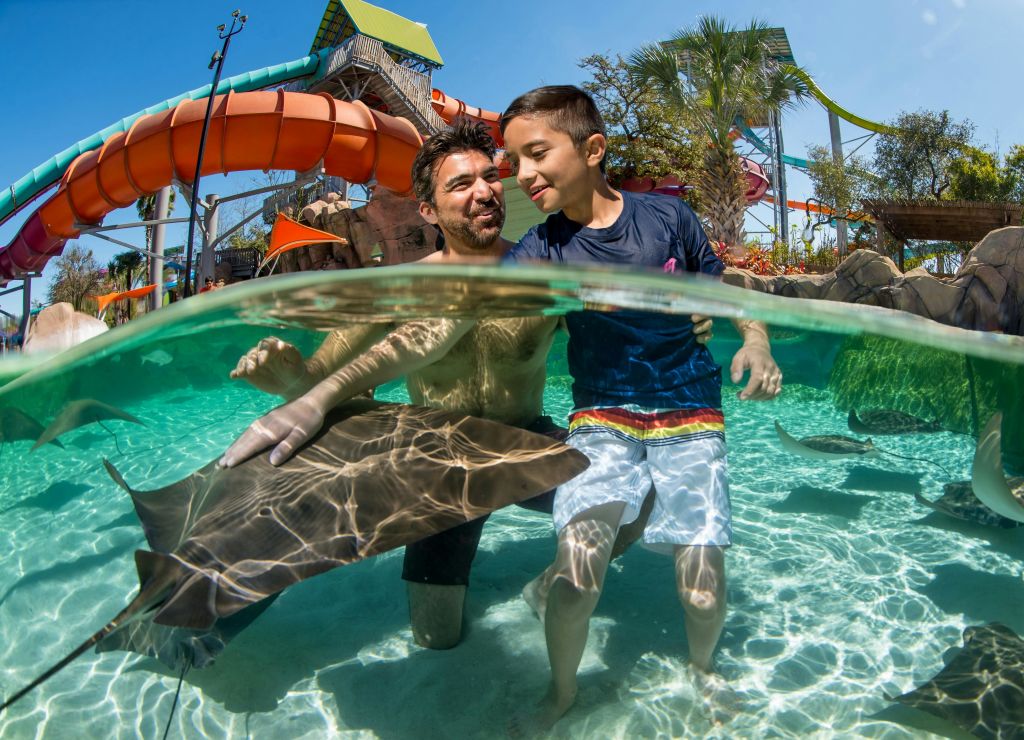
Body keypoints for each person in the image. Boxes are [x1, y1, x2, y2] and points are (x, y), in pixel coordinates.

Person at [499, 85, 782, 731]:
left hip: (689, 409)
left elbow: (723, 290)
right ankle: (563, 693)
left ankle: (705, 671)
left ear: (593, 149)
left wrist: (758, 342)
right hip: (602, 416)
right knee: (575, 579)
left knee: (701, 588)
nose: (523, 175)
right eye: (513, 162)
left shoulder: (667, 219)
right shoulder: (542, 247)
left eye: (536, 153)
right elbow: (491, 294)